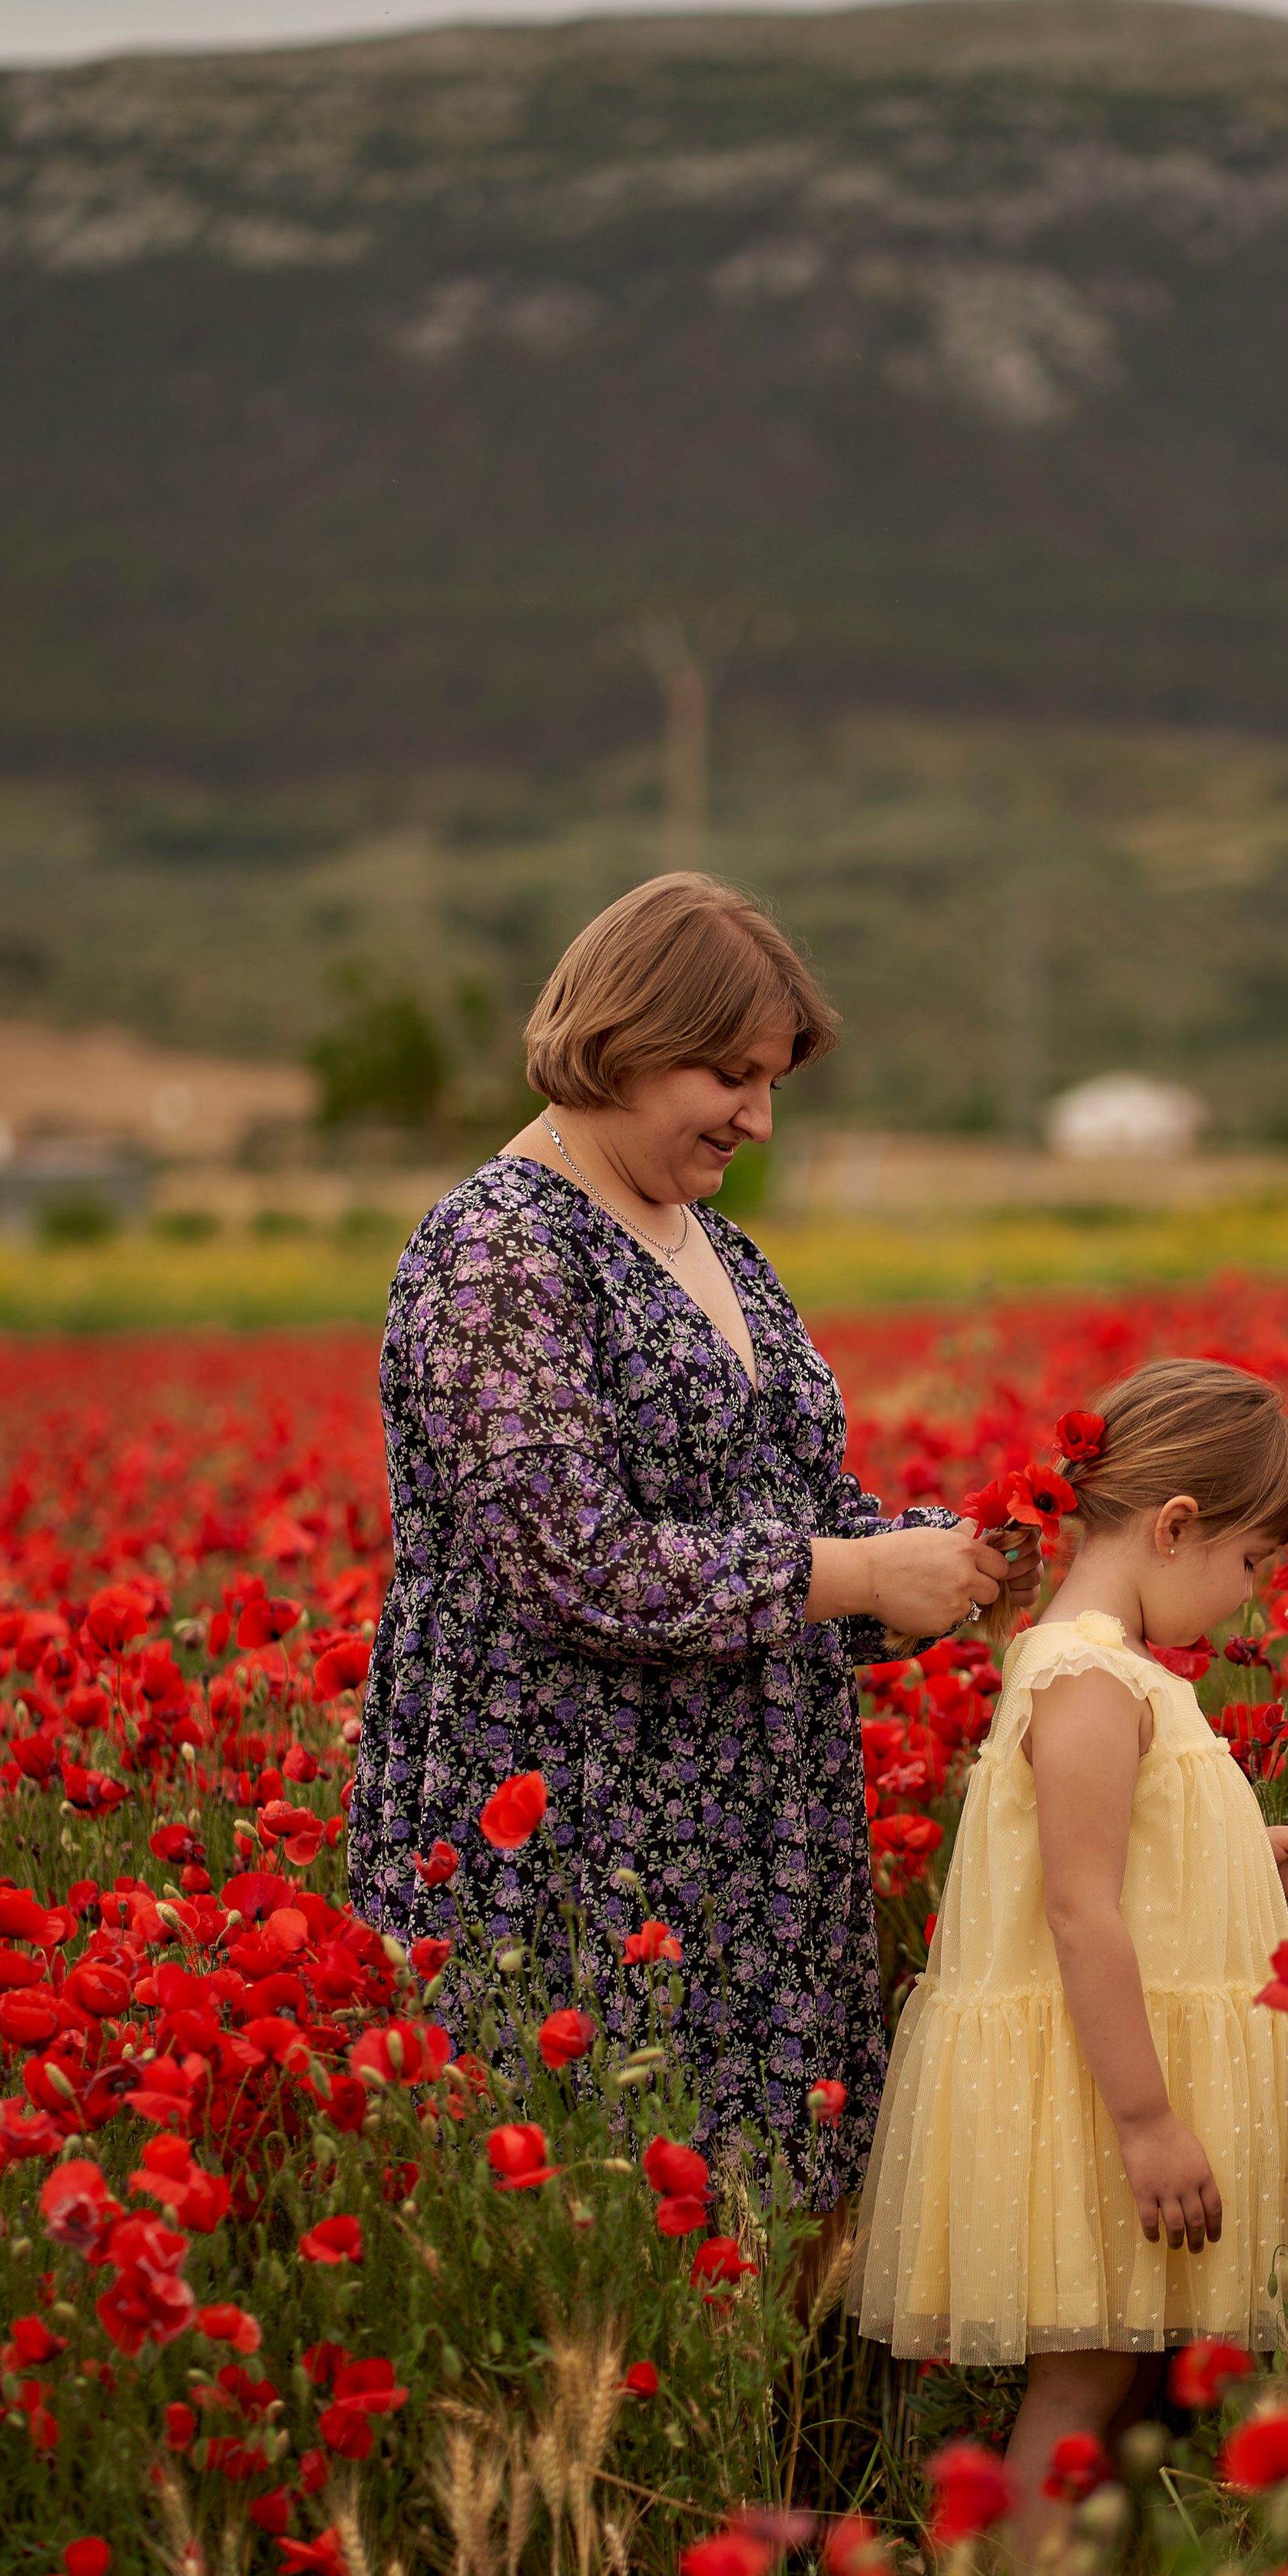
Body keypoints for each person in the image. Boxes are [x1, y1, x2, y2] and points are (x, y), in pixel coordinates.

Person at [349, 871, 1033, 2211]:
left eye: (773, 1082)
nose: (759, 1118)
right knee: (607, 2229)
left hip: (750, 1828)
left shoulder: (713, 1244)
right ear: (622, 1041)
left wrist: (946, 1565)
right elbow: (574, 1560)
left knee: (769, 2217)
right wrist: (852, 1574)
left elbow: (796, 1508)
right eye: (730, 1075)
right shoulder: (497, 1250)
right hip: (571, 1825)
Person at [851, 1358, 1288, 2531]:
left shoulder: (1108, 1669)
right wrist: (1145, 2121)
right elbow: (1080, 1911)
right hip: (1098, 2100)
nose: (1251, 1594)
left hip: (1119, 2081)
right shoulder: (1086, 1675)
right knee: (1083, 2379)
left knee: (1127, 2370)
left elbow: (1119, 1859)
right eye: (1251, 1564)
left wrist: (1242, 1851)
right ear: (1176, 1528)